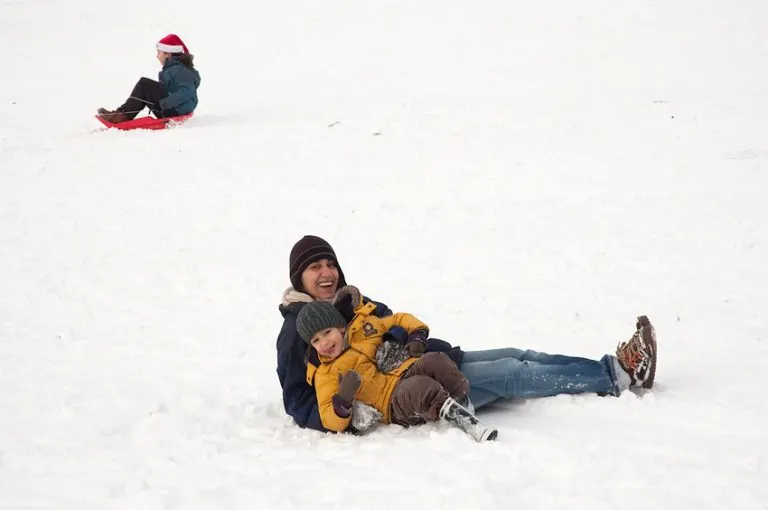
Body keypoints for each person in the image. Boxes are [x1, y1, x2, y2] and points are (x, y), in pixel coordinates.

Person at [276, 235, 657, 432]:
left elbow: (390, 319)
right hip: (414, 392)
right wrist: (351, 412)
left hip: (429, 362)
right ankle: (616, 374)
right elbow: (298, 399)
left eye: (330, 264)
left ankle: (605, 368)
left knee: (520, 354)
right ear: (300, 278)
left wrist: (397, 339)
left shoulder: (348, 300)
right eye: (315, 268)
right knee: (514, 372)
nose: (326, 273)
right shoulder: (298, 329)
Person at [295, 295, 497, 441]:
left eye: (327, 332)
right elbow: (329, 418)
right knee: (421, 388)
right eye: (316, 340)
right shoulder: (324, 373)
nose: (324, 343)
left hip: (402, 371)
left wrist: (416, 334)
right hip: (389, 403)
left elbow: (398, 319)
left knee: (436, 360)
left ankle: (463, 403)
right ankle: (469, 425)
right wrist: (342, 400)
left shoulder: (363, 329)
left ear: (341, 327)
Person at [97, 34, 201, 124]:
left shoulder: (180, 70)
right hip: (173, 108)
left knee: (145, 85)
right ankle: (121, 114)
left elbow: (187, 92)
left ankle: (121, 116)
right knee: (146, 87)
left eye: (159, 52)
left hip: (176, 110)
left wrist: (165, 103)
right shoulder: (174, 68)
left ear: (168, 54)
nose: (157, 56)